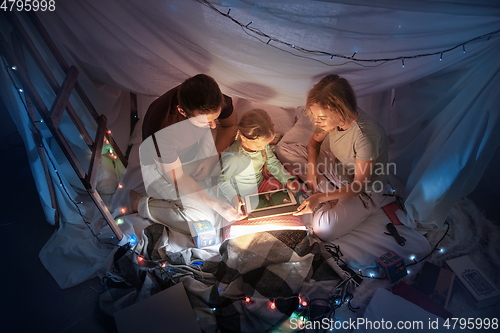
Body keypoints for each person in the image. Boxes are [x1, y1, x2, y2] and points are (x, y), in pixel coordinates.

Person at [278, 74, 389, 241]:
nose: (317, 122)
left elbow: (358, 186)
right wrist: (311, 168)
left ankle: (321, 199)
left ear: (340, 111)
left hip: (362, 192)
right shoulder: (334, 121)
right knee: (284, 150)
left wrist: (320, 198)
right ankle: (325, 194)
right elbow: (314, 143)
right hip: (338, 169)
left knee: (324, 230)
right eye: (315, 117)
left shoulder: (365, 137)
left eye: (321, 118)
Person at [130, 74, 243, 239]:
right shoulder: (163, 130)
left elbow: (230, 124)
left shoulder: (213, 99)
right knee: (204, 218)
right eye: (204, 122)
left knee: (234, 166)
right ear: (182, 111)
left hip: (191, 151)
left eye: (215, 118)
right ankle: (139, 204)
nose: (212, 125)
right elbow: (179, 178)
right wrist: (217, 205)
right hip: (163, 167)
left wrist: (213, 158)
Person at [217, 109, 298, 215]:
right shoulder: (234, 157)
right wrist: (234, 197)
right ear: (243, 137)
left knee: (289, 185)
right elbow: (223, 180)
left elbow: (272, 162)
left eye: (266, 144)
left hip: (260, 184)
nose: (264, 147)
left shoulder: (262, 145)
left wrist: (286, 180)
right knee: (241, 212)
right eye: (259, 146)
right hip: (241, 193)